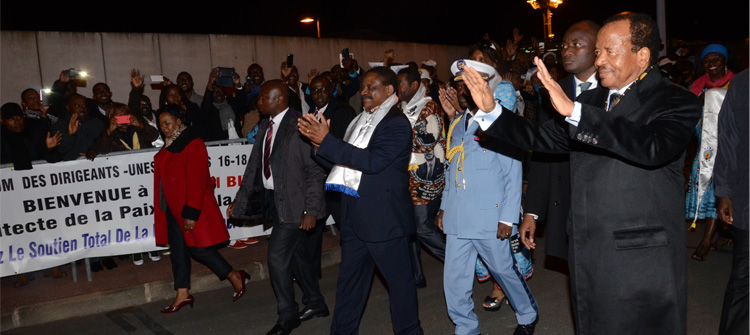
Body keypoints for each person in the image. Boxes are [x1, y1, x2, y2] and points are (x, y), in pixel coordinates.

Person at [462, 12, 701, 334]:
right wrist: (492, 112)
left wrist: (576, 112)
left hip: (642, 255)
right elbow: (542, 139)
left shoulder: (676, 100)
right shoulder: (591, 99)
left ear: (642, 55)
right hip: (589, 247)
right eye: (598, 51)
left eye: (609, 51)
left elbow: (652, 148)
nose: (599, 59)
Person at [298, 67, 423, 335]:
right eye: (363, 87)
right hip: (355, 219)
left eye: (371, 87)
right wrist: (318, 144)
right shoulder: (360, 121)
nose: (364, 91)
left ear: (389, 91)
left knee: (400, 287)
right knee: (349, 286)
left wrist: (328, 141)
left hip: (385, 221)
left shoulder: (396, 123)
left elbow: (372, 162)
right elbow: (342, 161)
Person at [436, 59, 538, 335]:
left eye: (469, 84)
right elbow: (452, 169)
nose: (463, 91)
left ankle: (527, 316)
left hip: (489, 218)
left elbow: (513, 174)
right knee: (454, 280)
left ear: (485, 85)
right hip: (458, 216)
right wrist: (444, 207)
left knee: (504, 271)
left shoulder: (500, 122)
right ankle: (465, 327)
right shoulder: (457, 124)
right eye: (459, 86)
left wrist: (508, 217)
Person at [228, 80, 328, 335]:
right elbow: (254, 168)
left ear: (279, 100)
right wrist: (240, 201)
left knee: (277, 257)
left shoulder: (300, 126)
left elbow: (316, 171)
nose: (258, 102)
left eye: (263, 98)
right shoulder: (266, 125)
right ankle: (316, 303)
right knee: (297, 256)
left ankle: (288, 315)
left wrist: (311, 211)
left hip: (296, 204)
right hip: (276, 201)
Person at [152, 103, 249, 314]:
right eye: (161, 124)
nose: (164, 128)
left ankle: (234, 275)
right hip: (171, 209)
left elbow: (196, 180)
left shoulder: (192, 143)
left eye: (168, 123)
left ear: (179, 121)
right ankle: (182, 292)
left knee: (198, 248)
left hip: (190, 208)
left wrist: (191, 214)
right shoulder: (170, 145)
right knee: (178, 253)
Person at [520, 20, 602, 265]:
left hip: (605, 206)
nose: (566, 50)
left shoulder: (616, 91)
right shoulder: (554, 91)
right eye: (564, 45)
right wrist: (532, 211)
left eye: (576, 44)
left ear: (598, 49)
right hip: (566, 201)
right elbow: (544, 152)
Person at [396, 67, 447, 288]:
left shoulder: (429, 107)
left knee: (422, 227)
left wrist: (395, 140)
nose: (396, 88)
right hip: (404, 178)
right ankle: (415, 276)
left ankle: (460, 260)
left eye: (400, 84)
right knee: (408, 229)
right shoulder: (400, 107)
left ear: (414, 86)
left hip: (425, 178)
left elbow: (427, 141)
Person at [687, 44, 736, 260]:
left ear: (725, 62)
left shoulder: (737, 83)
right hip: (704, 150)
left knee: (724, 191)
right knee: (707, 190)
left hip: (729, 147)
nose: (712, 64)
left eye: (717, 59)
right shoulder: (697, 86)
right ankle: (721, 233)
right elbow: (688, 116)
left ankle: (708, 240)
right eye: (707, 60)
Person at [306, 74, 357, 277]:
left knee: (346, 227)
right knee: (312, 229)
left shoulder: (343, 112)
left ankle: (352, 267)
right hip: (316, 182)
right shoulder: (310, 113)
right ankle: (310, 273)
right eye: (314, 90)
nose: (319, 94)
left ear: (332, 90)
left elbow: (347, 147)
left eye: (323, 89)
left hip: (336, 180)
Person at [714, 68, 749, 335]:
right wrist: (724, 192)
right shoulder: (742, 83)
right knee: (743, 279)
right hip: (747, 195)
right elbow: (727, 140)